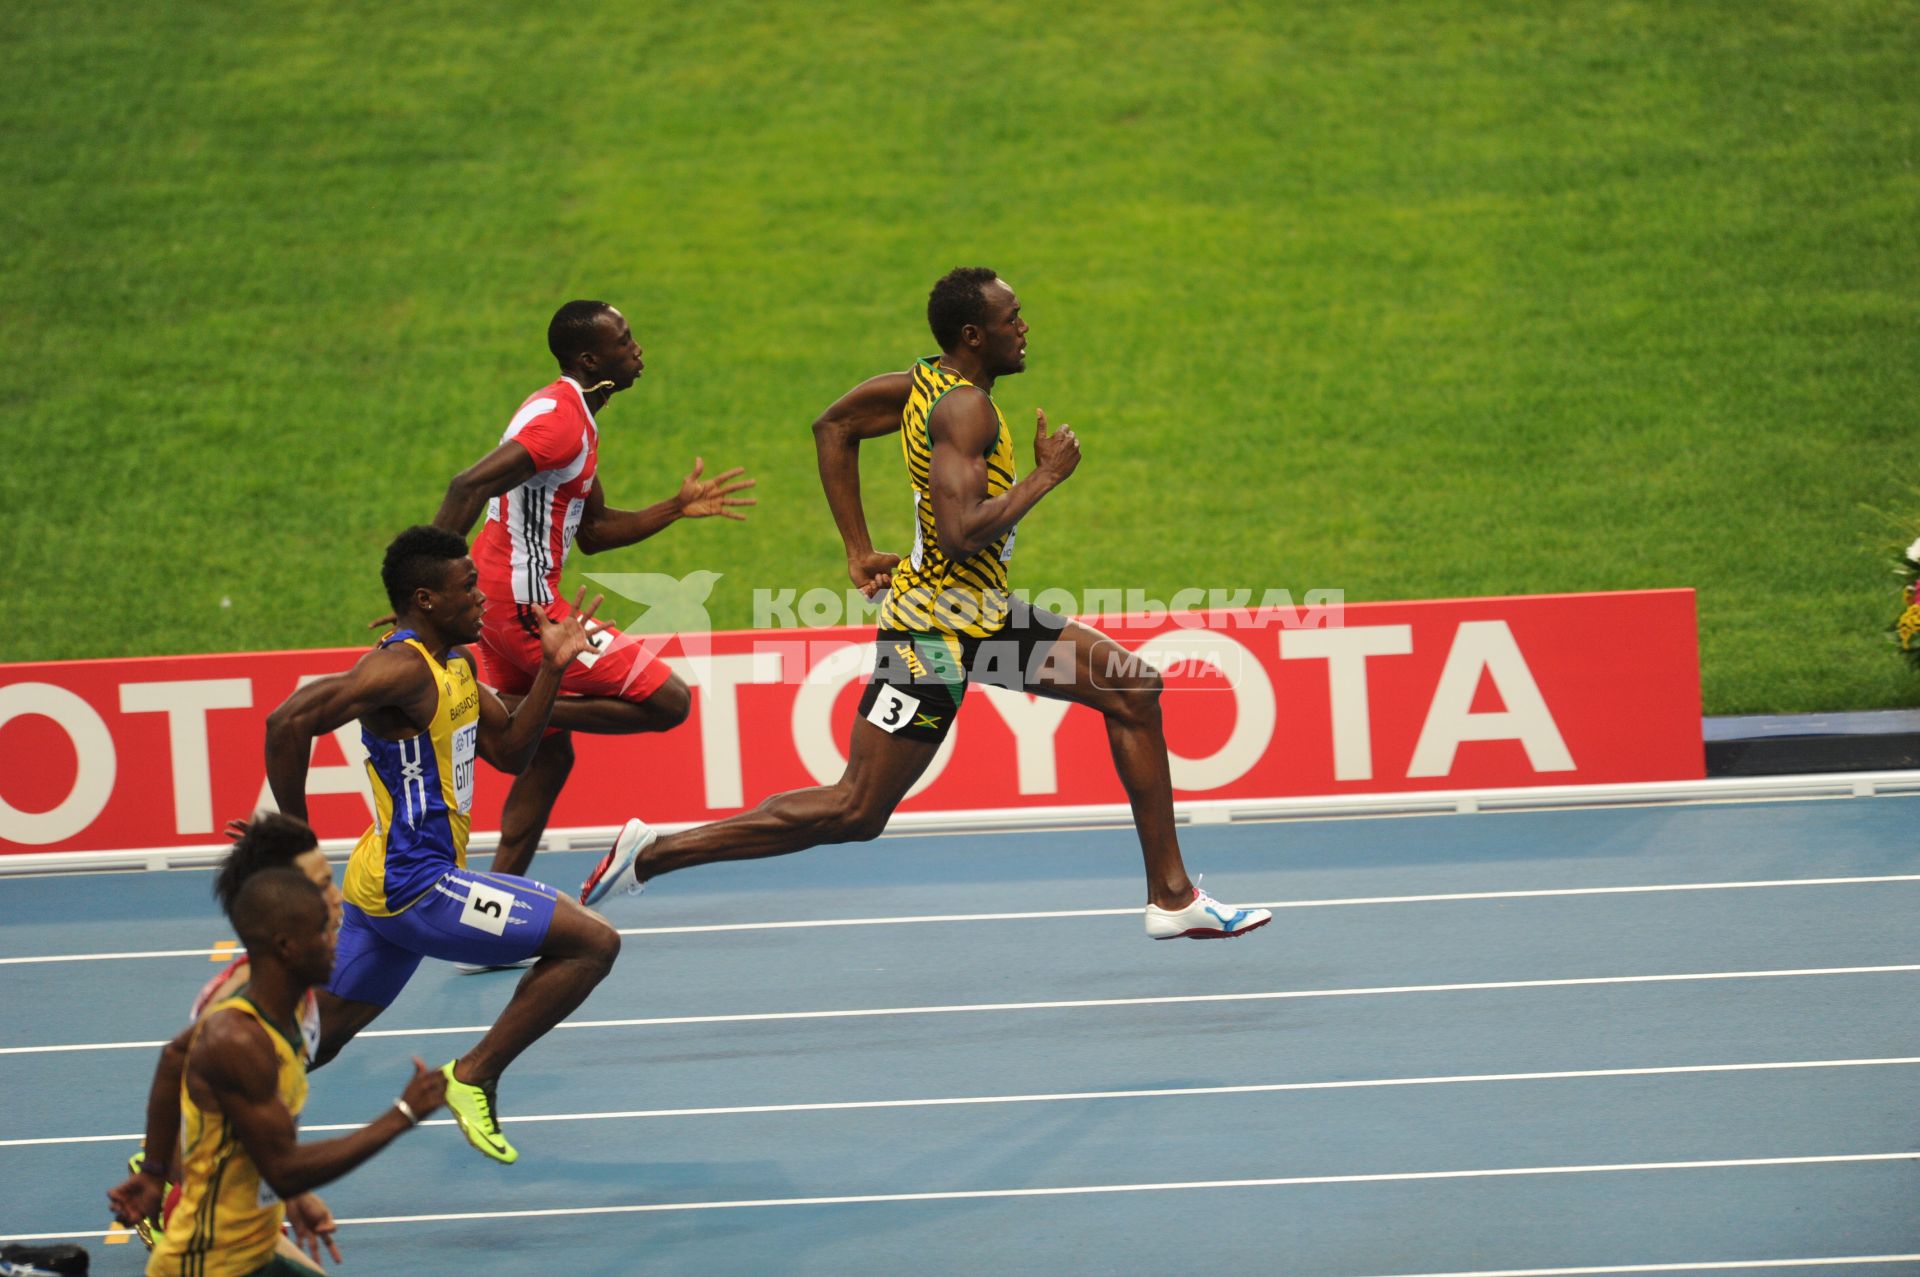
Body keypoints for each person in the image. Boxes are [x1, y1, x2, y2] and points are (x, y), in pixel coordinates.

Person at [582, 268, 1271, 941]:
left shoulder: (925, 384)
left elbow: (834, 426)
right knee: (856, 807)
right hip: (934, 631)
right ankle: (653, 853)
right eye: (1012, 319)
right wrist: (1045, 476)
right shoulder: (965, 407)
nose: (1024, 327)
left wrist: (858, 548)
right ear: (975, 335)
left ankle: (1173, 896)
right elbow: (962, 530)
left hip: (980, 616)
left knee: (1133, 687)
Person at [264, 525, 622, 1164]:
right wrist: (297, 845)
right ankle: (474, 1074)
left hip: (385, 880)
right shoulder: (398, 668)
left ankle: (173, 1160)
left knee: (319, 1037)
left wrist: (551, 668)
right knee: (593, 942)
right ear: (425, 600)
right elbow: (287, 720)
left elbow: (511, 752)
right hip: (416, 885)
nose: (482, 597)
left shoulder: (454, 665)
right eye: (468, 587)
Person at [427, 300, 755, 878]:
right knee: (668, 702)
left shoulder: (569, 414)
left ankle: (498, 896)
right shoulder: (560, 423)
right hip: (523, 606)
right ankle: (506, 709)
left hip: (502, 603)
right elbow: (466, 487)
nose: (637, 350)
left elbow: (597, 532)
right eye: (624, 341)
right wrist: (420, 592)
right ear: (589, 358)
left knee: (546, 757)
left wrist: (676, 508)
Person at [110, 869, 448, 1277]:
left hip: (255, 1245)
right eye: (324, 932)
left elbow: (171, 1058)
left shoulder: (293, 1014)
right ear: (287, 947)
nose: (336, 943)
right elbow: (284, 1167)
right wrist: (402, 1115)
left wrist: (152, 1173)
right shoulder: (238, 1040)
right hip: (210, 1261)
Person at [109, 815, 346, 1265]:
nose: (337, 899)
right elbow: (176, 1065)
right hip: (211, 1211)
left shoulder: (292, 988)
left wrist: (290, 1193)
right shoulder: (234, 1017)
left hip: (253, 1183)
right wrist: (160, 1172)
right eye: (322, 886)